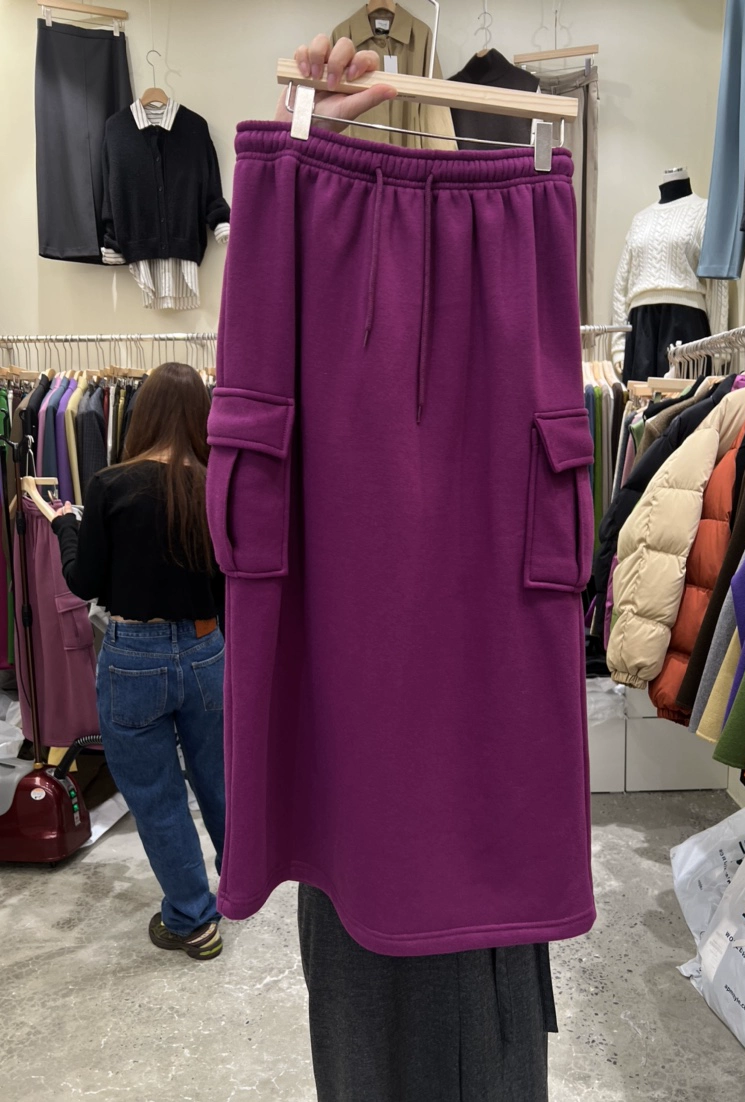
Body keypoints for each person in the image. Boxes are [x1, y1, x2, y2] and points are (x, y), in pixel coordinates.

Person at [264, 37, 557, 1102]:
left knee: (448, 1014)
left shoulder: (510, 255)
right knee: (381, 999)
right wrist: (309, 149)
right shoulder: (330, 267)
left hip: (470, 825)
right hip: (368, 828)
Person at [51, 362, 226, 962]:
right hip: (207, 649)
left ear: (143, 411)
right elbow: (227, 584)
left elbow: (85, 582)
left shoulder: (111, 485)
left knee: (155, 793)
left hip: (135, 657)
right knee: (220, 778)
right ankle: (240, 885)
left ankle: (193, 919)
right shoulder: (216, 485)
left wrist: (64, 527)